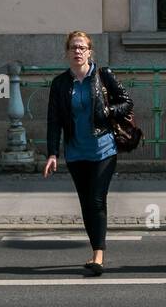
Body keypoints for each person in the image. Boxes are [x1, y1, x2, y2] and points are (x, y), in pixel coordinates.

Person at [43, 32, 133, 275]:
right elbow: (54, 121)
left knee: (96, 199)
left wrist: (108, 110)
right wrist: (52, 153)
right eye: (73, 47)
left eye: (82, 47)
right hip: (75, 152)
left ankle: (98, 255)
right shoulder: (60, 83)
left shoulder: (103, 76)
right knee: (85, 203)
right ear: (67, 52)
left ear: (90, 52)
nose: (78, 51)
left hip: (103, 148)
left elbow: (127, 102)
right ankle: (95, 247)